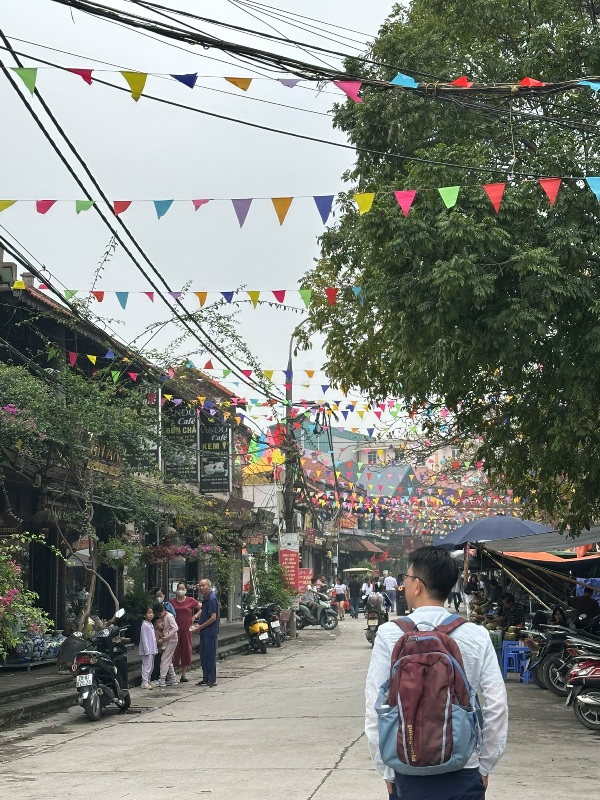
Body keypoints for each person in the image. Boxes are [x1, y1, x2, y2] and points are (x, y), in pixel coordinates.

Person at [365, 546, 508, 800]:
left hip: (406, 767)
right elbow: (496, 704)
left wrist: (386, 769)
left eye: (406, 579)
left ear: (417, 585)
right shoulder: (476, 635)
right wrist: (485, 765)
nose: (405, 585)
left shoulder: (389, 634)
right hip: (464, 768)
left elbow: (375, 705)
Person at [171, 581, 201, 682]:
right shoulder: (172, 601)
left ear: (186, 590)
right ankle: (172, 673)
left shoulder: (190, 600)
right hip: (174, 630)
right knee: (174, 650)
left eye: (183, 588)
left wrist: (195, 616)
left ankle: (183, 674)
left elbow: (202, 607)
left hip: (186, 629)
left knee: (186, 650)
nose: (181, 590)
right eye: (179, 588)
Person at [192, 578, 220, 687]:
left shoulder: (212, 599)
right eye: (200, 586)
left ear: (209, 586)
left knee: (209, 656)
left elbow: (213, 617)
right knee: (203, 656)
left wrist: (200, 627)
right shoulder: (206, 599)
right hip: (204, 631)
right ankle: (205, 678)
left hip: (210, 632)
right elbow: (204, 611)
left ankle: (211, 679)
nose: (201, 588)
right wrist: (196, 617)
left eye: (203, 585)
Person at [152, 602, 179, 687]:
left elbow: (175, 628)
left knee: (164, 659)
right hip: (169, 640)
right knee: (168, 659)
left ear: (163, 611)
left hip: (171, 640)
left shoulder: (169, 616)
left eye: (159, 614)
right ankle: (172, 678)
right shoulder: (165, 617)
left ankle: (162, 679)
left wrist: (168, 636)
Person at [139, 606, 158, 690]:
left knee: (151, 666)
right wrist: (147, 650)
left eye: (152, 613)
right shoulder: (144, 625)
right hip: (147, 649)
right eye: (149, 613)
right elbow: (144, 638)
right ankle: (144, 682)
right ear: (144, 615)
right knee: (146, 666)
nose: (151, 615)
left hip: (152, 648)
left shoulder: (150, 624)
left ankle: (148, 680)